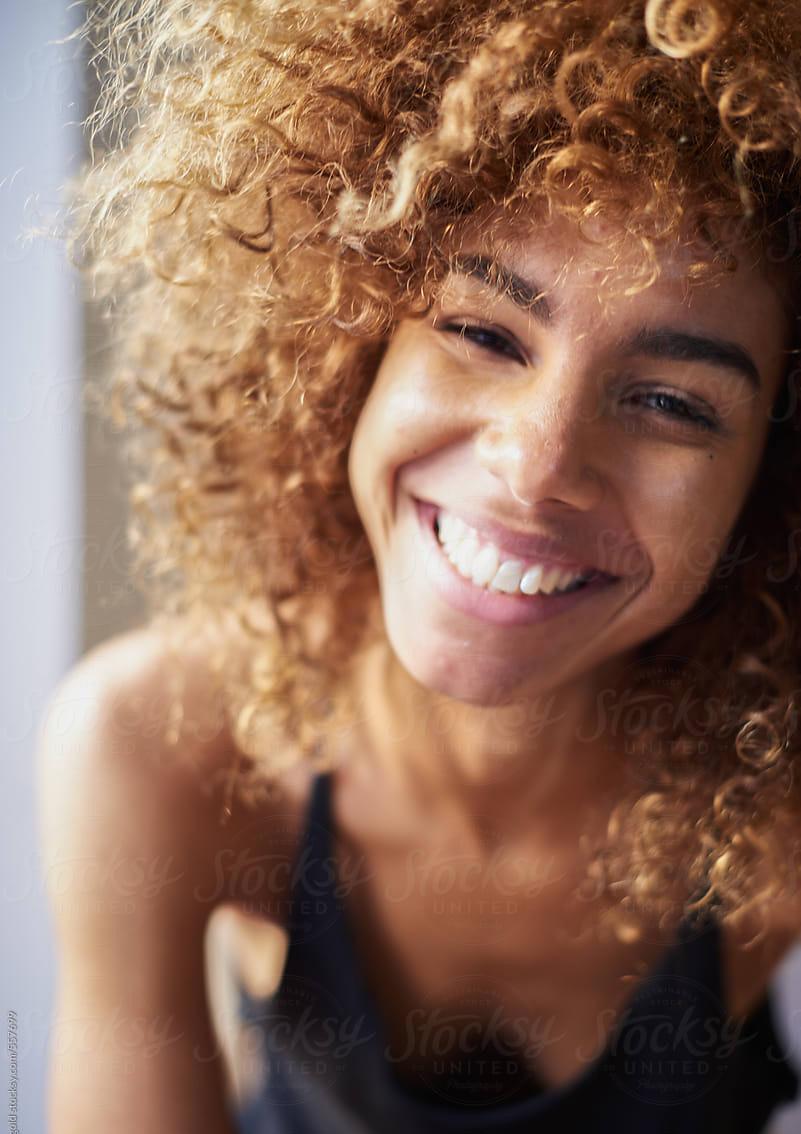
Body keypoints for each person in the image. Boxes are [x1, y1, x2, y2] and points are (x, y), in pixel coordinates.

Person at [37, 0, 801, 1130]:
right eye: (484, 334)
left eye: (672, 403)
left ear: (771, 489)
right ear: (350, 346)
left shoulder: (777, 813)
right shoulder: (161, 747)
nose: (536, 468)